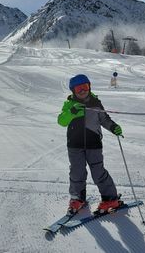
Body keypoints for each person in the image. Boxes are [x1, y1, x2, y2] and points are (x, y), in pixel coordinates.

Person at [57, 74, 123, 214]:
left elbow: (104, 119)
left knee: (98, 172)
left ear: (89, 87)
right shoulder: (70, 105)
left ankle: (110, 198)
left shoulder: (95, 103)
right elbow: (62, 121)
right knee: (77, 172)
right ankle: (77, 198)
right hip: (75, 145)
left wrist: (113, 127)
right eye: (79, 88)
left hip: (94, 144)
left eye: (85, 87)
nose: (83, 91)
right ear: (73, 91)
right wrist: (72, 112)